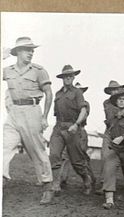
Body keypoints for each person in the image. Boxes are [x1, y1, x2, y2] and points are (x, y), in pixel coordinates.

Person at [2, 37, 53, 205]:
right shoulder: (8, 70)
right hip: (14, 113)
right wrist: (2, 56)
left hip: (32, 112)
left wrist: (44, 116)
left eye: (33, 50)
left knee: (37, 151)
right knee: (5, 147)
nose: (31, 52)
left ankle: (47, 187)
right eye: (27, 49)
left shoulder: (38, 70)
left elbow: (48, 93)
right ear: (17, 52)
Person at [49, 65, 95, 197]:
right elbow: (56, 114)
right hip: (58, 127)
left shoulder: (77, 92)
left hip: (72, 128)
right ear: (62, 78)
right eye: (65, 76)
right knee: (54, 155)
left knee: (77, 161)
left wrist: (76, 124)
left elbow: (83, 110)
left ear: (74, 77)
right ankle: (56, 183)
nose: (68, 78)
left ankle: (86, 179)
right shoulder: (58, 94)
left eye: (70, 76)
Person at [59, 82, 94, 189]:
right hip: (68, 131)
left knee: (81, 157)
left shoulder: (85, 104)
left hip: (79, 132)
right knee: (65, 156)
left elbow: (83, 116)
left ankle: (90, 180)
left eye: (81, 91)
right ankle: (62, 179)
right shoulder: (67, 102)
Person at [95, 80, 124, 195]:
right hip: (109, 131)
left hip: (122, 131)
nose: (114, 92)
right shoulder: (106, 103)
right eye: (111, 90)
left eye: (116, 89)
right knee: (105, 156)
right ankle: (104, 184)